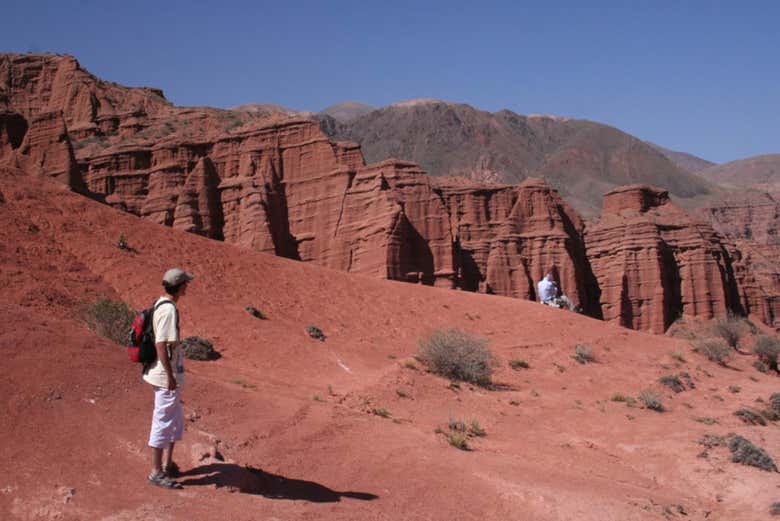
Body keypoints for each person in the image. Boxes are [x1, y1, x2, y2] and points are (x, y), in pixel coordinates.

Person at [144, 267, 194, 489]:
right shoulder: (168, 310)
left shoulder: (162, 304)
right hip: (166, 377)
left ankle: (167, 463)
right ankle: (156, 472)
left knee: (175, 420)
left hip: (169, 374)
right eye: (186, 283)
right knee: (163, 421)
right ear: (181, 286)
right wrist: (171, 375)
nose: (187, 287)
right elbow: (161, 345)